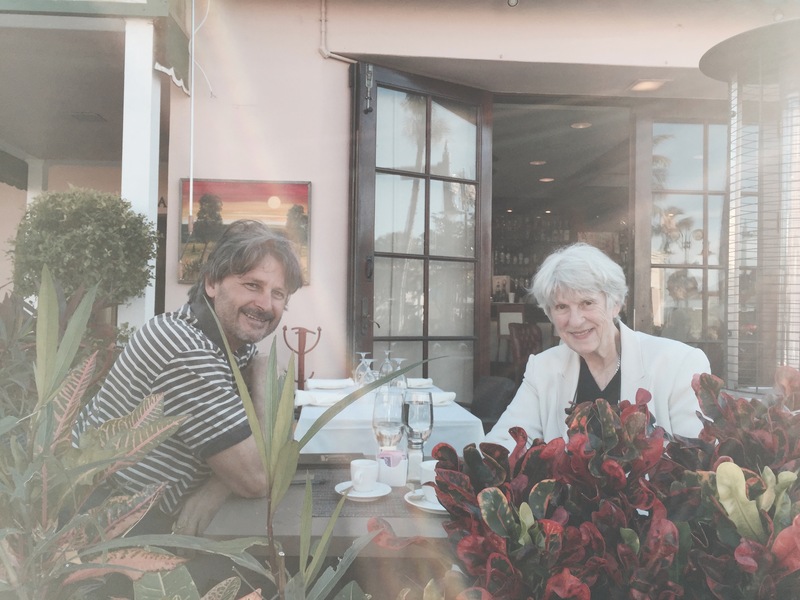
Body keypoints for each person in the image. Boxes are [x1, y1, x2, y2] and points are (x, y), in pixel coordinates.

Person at [74, 219, 304, 536]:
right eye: (252, 285)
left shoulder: (229, 345)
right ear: (212, 283)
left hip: (146, 514)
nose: (265, 304)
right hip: (108, 527)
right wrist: (266, 374)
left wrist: (217, 486)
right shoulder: (184, 349)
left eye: (278, 293)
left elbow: (278, 434)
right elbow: (258, 480)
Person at [484, 243, 710, 451]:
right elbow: (503, 444)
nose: (575, 321)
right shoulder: (543, 368)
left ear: (615, 304)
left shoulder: (679, 364)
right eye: (561, 307)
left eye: (587, 303)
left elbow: (695, 459)